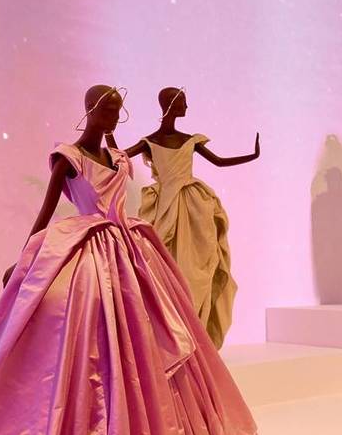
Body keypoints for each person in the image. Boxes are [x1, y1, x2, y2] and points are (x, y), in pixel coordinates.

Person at [0, 85, 257, 435]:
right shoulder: (67, 158)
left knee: (153, 335)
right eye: (108, 109)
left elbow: (120, 198)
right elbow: (46, 210)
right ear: (90, 110)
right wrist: (22, 260)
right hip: (89, 249)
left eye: (118, 110)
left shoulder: (120, 157)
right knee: (90, 342)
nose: (114, 116)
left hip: (129, 247)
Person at [107, 87, 259, 349]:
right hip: (165, 207)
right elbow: (118, 158)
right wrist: (109, 134)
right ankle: (169, 336)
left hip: (192, 209)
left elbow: (220, 162)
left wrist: (252, 155)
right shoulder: (151, 141)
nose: (187, 107)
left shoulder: (190, 140)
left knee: (196, 268)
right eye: (183, 103)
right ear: (170, 105)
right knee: (163, 267)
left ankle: (194, 334)